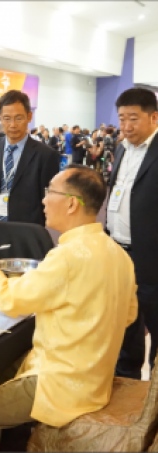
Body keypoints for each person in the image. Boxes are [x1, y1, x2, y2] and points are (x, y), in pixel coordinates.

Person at [0, 165, 137, 452]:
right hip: (94, 377)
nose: (43, 200)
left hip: (60, 383)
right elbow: (129, 314)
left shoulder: (68, 257)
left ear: (72, 203)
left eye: (50, 192)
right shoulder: (118, 254)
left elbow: (9, 300)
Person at [108, 87, 158, 380]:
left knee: (154, 317)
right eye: (122, 119)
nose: (126, 126)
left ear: (154, 117)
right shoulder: (121, 148)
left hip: (150, 255)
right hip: (118, 250)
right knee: (125, 320)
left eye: (133, 119)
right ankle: (126, 378)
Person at [0, 90, 60, 225]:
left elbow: (48, 198)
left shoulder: (46, 155)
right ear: (0, 118)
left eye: (19, 118)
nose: (12, 125)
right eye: (7, 118)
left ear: (29, 117)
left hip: (26, 228)